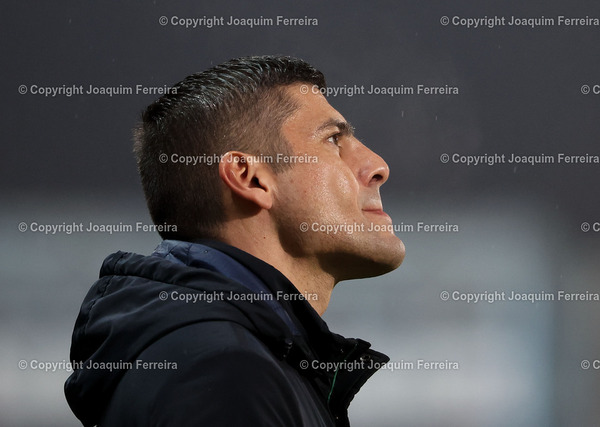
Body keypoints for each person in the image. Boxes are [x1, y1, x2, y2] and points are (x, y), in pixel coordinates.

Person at [64, 55, 405, 426]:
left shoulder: (219, 355)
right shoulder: (227, 374)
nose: (378, 167)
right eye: (333, 139)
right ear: (250, 178)